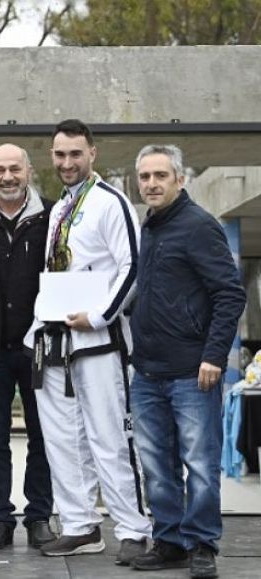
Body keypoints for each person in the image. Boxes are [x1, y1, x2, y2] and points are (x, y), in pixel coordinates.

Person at [25, 119, 152, 564]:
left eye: (75, 153)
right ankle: (79, 525)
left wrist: (99, 316)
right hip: (54, 337)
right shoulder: (61, 206)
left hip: (98, 337)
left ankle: (134, 528)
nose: (67, 162)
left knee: (109, 435)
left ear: (92, 154)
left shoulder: (109, 202)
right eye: (60, 154)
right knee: (62, 438)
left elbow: (131, 267)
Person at [128, 145, 245, 579]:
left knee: (199, 463)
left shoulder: (198, 226)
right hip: (147, 372)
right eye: (145, 177)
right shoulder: (150, 228)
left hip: (192, 372)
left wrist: (215, 356)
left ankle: (201, 544)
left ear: (180, 179)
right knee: (156, 466)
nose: (152, 184)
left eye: (161, 175)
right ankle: (170, 541)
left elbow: (230, 294)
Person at [0, 144, 56, 550]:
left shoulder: (54, 215)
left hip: (41, 348)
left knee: (45, 436)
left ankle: (39, 516)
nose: (8, 176)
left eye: (15, 169)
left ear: (29, 171)